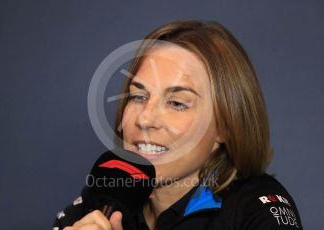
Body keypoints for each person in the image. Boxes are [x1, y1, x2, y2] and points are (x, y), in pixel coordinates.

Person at [53, 20, 303, 230]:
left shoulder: (255, 209)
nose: (145, 119)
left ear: (225, 126)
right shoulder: (105, 192)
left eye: (177, 103)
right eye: (139, 97)